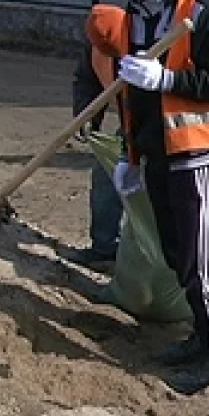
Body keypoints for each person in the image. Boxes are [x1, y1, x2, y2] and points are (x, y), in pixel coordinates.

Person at [108, 0, 209, 394]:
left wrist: (170, 81)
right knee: (175, 253)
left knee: (199, 259)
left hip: (194, 154)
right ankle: (201, 335)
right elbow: (133, 95)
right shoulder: (133, 16)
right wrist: (131, 154)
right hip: (157, 154)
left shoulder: (198, 10)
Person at [68, 42, 124, 269]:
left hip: (173, 126)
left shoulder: (146, 41)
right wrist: (87, 117)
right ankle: (105, 248)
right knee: (106, 176)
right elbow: (87, 81)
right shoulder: (95, 49)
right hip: (133, 121)